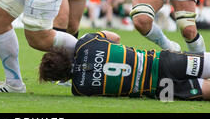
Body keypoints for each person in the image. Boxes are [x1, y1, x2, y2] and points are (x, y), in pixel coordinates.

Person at [39, 31, 210, 101]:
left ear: (59, 78)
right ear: (63, 53)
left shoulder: (79, 89)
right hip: (161, 61)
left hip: (160, 89)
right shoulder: (86, 43)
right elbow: (116, 38)